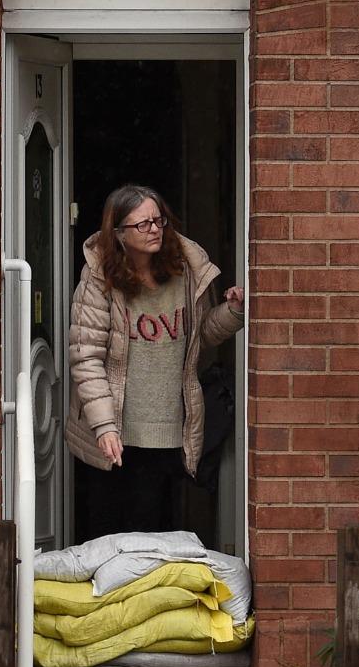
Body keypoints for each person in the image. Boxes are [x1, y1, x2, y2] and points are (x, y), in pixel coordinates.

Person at [64, 183, 244, 544]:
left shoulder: (185, 273)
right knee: (111, 534)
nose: (155, 229)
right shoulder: (98, 281)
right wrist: (104, 427)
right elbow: (86, 357)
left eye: (158, 220)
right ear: (118, 234)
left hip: (170, 430)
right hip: (116, 435)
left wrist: (234, 311)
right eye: (142, 224)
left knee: (156, 534)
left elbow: (200, 337)